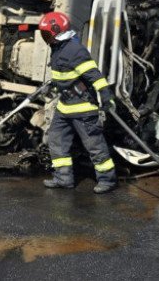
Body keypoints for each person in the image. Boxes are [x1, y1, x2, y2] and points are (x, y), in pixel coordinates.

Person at [38, 11, 118, 194]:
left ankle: (107, 180)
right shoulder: (58, 48)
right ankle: (63, 178)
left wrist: (105, 96)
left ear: (58, 32)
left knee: (95, 146)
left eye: (46, 34)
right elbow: (65, 77)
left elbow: (94, 75)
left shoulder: (75, 50)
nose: (45, 38)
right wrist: (51, 88)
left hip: (83, 108)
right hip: (65, 106)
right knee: (56, 140)